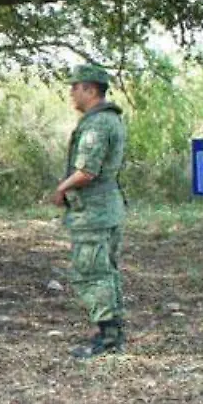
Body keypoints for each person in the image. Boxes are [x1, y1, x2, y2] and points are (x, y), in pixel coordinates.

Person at [51, 65, 128, 359]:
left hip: (93, 211)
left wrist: (61, 189)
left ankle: (107, 337)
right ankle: (111, 332)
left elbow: (87, 171)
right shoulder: (110, 120)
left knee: (92, 271)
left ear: (91, 90)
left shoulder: (97, 125)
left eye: (76, 87)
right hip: (106, 208)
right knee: (105, 271)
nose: (72, 92)